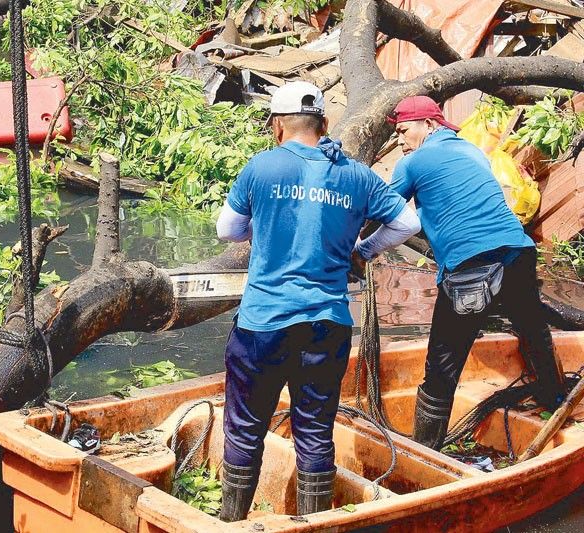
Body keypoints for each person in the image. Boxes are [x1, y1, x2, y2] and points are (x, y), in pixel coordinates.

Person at [215, 81, 421, 521]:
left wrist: (264, 229)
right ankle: (315, 526)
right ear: (324, 124)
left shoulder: (262, 167)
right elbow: (407, 221)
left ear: (277, 126)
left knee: (245, 429)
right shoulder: (356, 173)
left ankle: (231, 524)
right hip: (327, 325)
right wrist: (361, 250)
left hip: (262, 325)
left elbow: (227, 230)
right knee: (314, 432)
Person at [387, 95, 567, 451]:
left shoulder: (413, 163)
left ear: (429, 124)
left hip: (471, 266)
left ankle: (425, 450)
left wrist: (357, 249)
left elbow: (387, 213)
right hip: (519, 252)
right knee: (534, 331)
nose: (400, 140)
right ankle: (556, 405)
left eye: (404, 130)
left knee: (442, 362)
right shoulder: (472, 151)